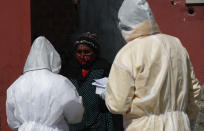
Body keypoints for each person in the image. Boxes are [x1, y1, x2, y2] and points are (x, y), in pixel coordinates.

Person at [105, 0, 201, 131]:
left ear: (125, 24)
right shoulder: (176, 45)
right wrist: (184, 118)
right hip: (180, 125)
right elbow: (194, 90)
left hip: (144, 126)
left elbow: (118, 105)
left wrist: (106, 93)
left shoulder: (128, 53)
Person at [6, 36, 84, 131]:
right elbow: (75, 115)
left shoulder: (16, 85)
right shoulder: (61, 83)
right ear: (52, 58)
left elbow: (12, 122)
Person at [61, 32, 117, 131]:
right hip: (76, 126)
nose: (82, 55)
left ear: (95, 53)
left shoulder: (103, 69)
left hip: (99, 124)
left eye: (86, 52)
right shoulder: (69, 71)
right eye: (79, 52)